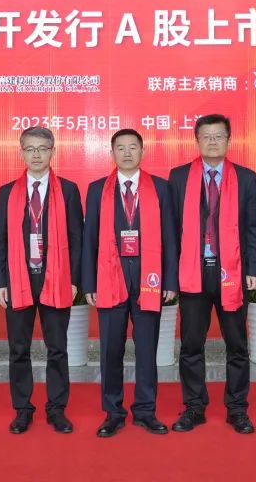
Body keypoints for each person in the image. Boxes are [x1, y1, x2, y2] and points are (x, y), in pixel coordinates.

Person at [168, 114, 256, 435]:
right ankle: (194, 407)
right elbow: (171, 231)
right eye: (206, 136)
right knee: (191, 345)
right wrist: (171, 276)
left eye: (218, 136)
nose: (212, 142)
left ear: (228, 140)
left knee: (237, 345)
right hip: (193, 272)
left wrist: (253, 268)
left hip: (232, 272)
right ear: (197, 140)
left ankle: (237, 409)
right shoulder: (179, 177)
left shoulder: (246, 179)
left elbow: (252, 228)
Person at [82, 129, 178, 437]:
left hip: (149, 278)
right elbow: (89, 237)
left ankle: (146, 411)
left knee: (147, 348)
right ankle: (113, 412)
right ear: (111, 153)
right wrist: (89, 283)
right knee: (111, 349)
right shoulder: (98, 189)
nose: (126, 153)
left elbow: (170, 236)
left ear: (142, 152)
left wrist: (170, 280)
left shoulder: (160, 188)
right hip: (110, 278)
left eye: (132, 147)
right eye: (120, 148)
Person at [0, 126, 83, 435]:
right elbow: (0, 240)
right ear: (21, 153)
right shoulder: (7, 192)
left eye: (42, 148)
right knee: (18, 348)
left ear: (52, 152)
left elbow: (77, 238)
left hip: (56, 276)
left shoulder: (68, 190)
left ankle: (57, 409)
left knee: (57, 347)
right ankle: (23, 409)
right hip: (18, 277)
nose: (36, 155)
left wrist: (74, 279)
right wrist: (0, 281)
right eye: (30, 149)